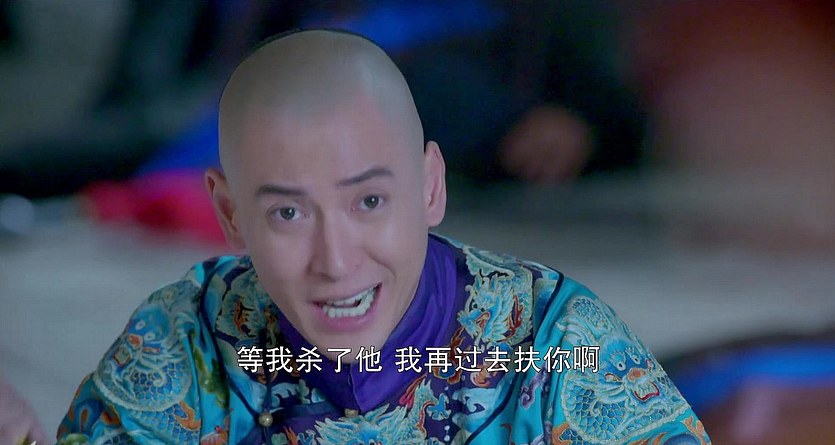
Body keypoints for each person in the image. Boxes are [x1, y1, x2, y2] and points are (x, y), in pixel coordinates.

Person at [58, 30, 710, 444]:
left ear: (430, 187)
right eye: (288, 214)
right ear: (230, 215)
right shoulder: (184, 343)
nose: (336, 261)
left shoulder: (554, 346)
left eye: (369, 201)